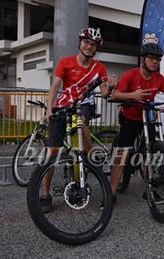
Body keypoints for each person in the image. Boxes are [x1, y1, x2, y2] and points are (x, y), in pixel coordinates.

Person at [41, 27, 116, 212]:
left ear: (96, 48)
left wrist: (111, 87)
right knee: (52, 152)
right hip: (64, 105)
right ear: (80, 43)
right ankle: (44, 193)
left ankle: (89, 161)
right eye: (87, 42)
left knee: (80, 121)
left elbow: (105, 93)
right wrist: (49, 109)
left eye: (93, 44)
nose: (89, 46)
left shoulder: (99, 67)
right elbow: (55, 87)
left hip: (84, 105)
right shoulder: (65, 62)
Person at [109, 42, 164, 202]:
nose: (155, 62)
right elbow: (115, 95)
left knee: (148, 155)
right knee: (122, 155)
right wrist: (132, 95)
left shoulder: (158, 78)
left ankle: (149, 190)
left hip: (146, 118)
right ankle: (110, 194)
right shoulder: (130, 75)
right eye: (151, 58)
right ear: (143, 59)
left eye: (157, 59)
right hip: (129, 118)